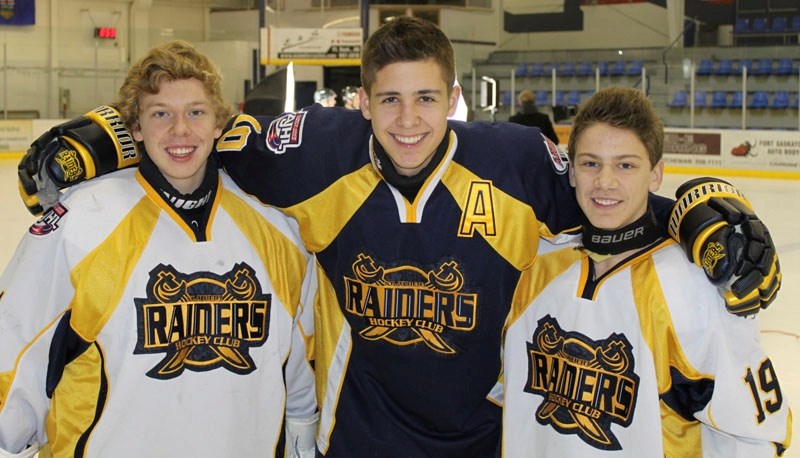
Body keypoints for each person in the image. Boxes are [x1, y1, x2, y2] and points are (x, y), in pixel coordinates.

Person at [15, 16, 780, 458]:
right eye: (389, 100)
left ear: (452, 98)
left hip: (484, 444)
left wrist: (700, 205)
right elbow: (197, 134)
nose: (408, 120)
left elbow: (611, 191)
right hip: (363, 440)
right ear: (364, 101)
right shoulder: (313, 150)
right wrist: (112, 130)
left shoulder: (513, 162)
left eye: (425, 99)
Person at [0, 40, 318, 457]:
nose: (180, 130)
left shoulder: (275, 228)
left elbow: (299, 372)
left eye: (196, 112)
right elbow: (15, 355)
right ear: (135, 129)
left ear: (219, 122)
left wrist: (302, 440)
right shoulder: (81, 225)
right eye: (161, 114)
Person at [502, 87, 791, 456]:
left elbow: (756, 437)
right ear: (571, 171)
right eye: (591, 163)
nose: (605, 182)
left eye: (626, 165)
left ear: (656, 175)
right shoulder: (536, 264)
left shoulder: (694, 289)